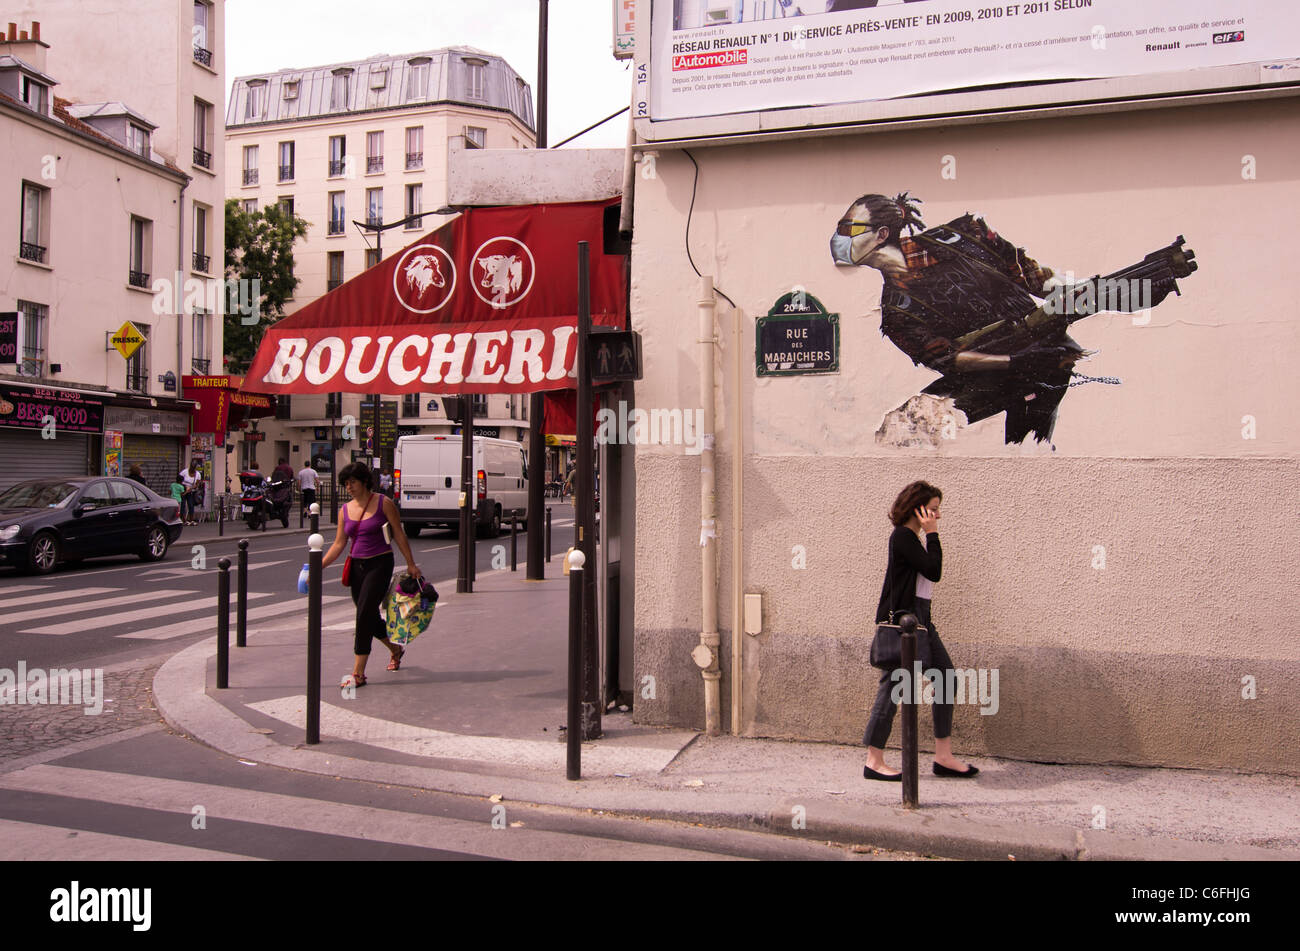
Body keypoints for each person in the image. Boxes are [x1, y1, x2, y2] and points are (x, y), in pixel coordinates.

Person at [829, 192, 1183, 444]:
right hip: (994, 374)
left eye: (848, 229)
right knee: (901, 430)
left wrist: (1112, 290)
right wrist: (1013, 360)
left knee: (1030, 443)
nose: (839, 239)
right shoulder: (896, 311)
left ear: (881, 235)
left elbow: (1037, 280)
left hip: (1046, 362)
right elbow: (950, 359)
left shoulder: (966, 235)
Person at [863, 480, 978, 781]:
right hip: (905, 623)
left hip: (922, 620)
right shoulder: (903, 536)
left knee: (946, 676)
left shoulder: (912, 538)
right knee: (893, 686)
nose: (938, 516)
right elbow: (934, 571)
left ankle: (943, 756)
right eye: (934, 510)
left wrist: (928, 534)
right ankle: (873, 760)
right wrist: (933, 535)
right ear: (919, 509)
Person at [321, 462, 422, 689]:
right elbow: (338, 544)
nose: (349, 487)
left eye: (353, 482)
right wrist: (320, 565)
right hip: (356, 566)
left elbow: (398, 533)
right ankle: (396, 649)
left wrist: (411, 564)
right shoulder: (344, 511)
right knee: (369, 616)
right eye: (345, 484)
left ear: (364, 481)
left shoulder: (383, 503)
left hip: (380, 563)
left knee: (364, 614)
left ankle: (358, 673)